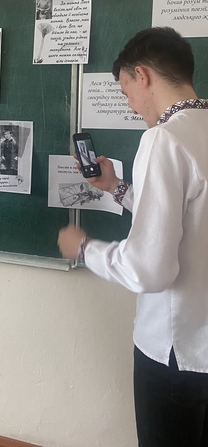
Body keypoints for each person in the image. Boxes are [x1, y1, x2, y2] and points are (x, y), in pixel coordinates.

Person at [58, 27, 208, 447]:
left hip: (176, 350)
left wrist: (85, 249)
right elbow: (187, 218)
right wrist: (115, 187)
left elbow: (149, 269)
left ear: (141, 75)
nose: (131, 105)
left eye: (126, 92)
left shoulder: (164, 138)